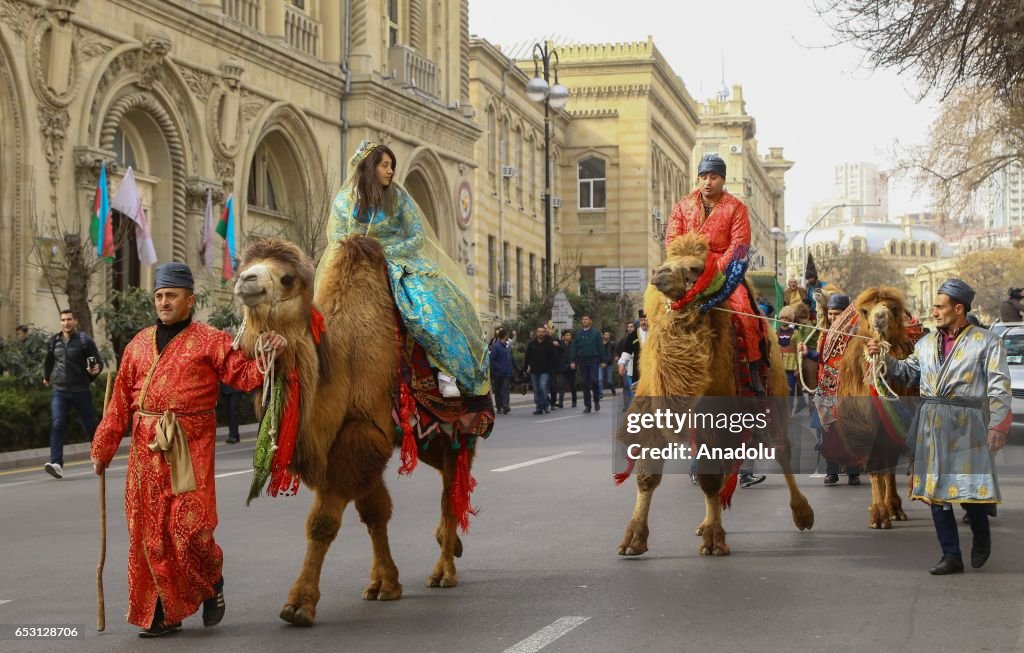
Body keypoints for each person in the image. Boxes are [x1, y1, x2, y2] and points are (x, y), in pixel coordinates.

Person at [90, 263, 287, 636]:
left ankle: (212, 581)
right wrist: (103, 445)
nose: (164, 302)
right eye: (159, 296)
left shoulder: (210, 340)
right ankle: (162, 613)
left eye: (171, 296)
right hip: (145, 451)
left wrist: (269, 351)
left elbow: (243, 376)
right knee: (150, 534)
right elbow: (119, 404)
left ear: (189, 300)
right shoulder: (137, 344)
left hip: (189, 445)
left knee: (190, 529)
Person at [315, 140, 489, 399]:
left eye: (391, 165)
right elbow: (339, 237)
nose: (390, 171)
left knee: (430, 306)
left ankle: (445, 370)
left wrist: (384, 253)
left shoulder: (398, 197)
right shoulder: (345, 201)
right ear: (370, 166)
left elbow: (416, 236)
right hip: (356, 263)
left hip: (400, 263)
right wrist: (357, 254)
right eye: (384, 165)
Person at [867, 279, 1012, 575]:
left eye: (939, 306)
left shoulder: (987, 342)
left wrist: (997, 425)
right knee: (936, 493)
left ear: (958, 309)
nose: (933, 311)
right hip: (930, 423)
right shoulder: (925, 343)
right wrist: (882, 355)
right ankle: (951, 554)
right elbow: (908, 373)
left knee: (969, 491)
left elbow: (1000, 386)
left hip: (967, 424)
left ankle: (981, 534)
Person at [665, 154, 767, 394]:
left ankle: (753, 367)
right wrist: (687, 266)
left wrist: (716, 270)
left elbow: (740, 244)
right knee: (657, 308)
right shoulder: (682, 206)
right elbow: (672, 239)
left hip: (725, 272)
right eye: (703, 177)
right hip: (687, 270)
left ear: (722, 179)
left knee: (745, 312)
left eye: (713, 177)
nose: (707, 182)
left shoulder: (737, 207)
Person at [799, 293, 862, 486]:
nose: (834, 318)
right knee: (829, 433)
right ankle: (832, 472)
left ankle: (853, 472)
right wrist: (807, 353)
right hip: (826, 387)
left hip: (847, 389)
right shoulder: (824, 334)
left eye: (838, 314)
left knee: (850, 431)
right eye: (831, 314)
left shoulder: (855, 336)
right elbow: (822, 357)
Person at [42, 308, 103, 479]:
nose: (66, 323)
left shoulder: (85, 341)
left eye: (69, 319)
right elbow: (49, 360)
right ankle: (56, 464)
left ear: (75, 321)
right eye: (63, 320)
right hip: (60, 391)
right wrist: (47, 377)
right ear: (60, 322)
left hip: (81, 390)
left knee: (91, 427)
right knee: (57, 424)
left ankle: (99, 457)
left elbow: (98, 362)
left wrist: (95, 371)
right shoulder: (54, 341)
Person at [569, 314, 604, 413]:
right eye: (583, 319)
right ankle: (587, 405)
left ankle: (596, 400)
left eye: (586, 319)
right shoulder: (579, 333)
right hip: (582, 360)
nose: (584, 321)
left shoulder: (596, 333)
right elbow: (574, 347)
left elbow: (600, 347)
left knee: (594, 380)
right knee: (585, 383)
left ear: (590, 321)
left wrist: (603, 360)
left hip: (594, 359)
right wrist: (572, 361)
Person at [524, 324, 557, 414]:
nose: (541, 334)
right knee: (536, 389)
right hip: (534, 370)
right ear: (536, 333)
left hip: (545, 371)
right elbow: (527, 357)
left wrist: (552, 368)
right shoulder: (532, 344)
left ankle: (546, 405)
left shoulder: (549, 344)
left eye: (542, 332)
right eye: (539, 332)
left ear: (545, 333)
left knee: (542, 387)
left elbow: (553, 357)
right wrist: (525, 368)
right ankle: (539, 407)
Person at [489, 328, 513, 414]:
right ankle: (499, 407)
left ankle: (505, 406)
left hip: (507, 373)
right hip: (498, 373)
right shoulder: (496, 346)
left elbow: (511, 359)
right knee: (498, 390)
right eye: (507, 335)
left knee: (505, 389)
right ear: (505, 336)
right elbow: (492, 360)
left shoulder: (507, 346)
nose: (508, 336)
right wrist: (497, 368)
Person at [617, 322, 637, 410]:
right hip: (627, 367)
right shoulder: (624, 340)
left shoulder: (640, 337)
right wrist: (621, 363)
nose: (629, 328)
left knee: (634, 387)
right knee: (626, 385)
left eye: (631, 327)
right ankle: (626, 405)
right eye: (628, 327)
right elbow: (619, 350)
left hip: (637, 367)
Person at [557, 330, 577, 408]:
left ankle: (574, 401)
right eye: (567, 335)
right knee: (561, 385)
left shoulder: (574, 345)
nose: (569, 337)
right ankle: (560, 403)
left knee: (572, 386)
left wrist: (574, 363)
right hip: (563, 369)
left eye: (570, 335)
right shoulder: (560, 345)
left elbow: (576, 355)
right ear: (563, 336)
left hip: (571, 369)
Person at [601, 329, 617, 397]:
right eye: (605, 335)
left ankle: (613, 391)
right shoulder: (599, 344)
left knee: (609, 381)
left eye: (608, 335)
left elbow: (612, 355)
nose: (607, 336)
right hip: (600, 364)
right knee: (600, 380)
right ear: (603, 335)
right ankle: (600, 394)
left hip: (609, 364)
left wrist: (606, 363)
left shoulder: (612, 344)